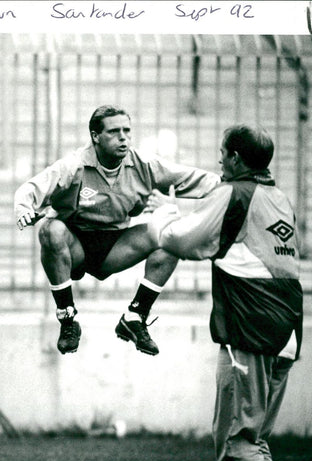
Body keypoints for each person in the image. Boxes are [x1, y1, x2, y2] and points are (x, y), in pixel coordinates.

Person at [147, 124, 303, 461]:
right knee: (255, 440)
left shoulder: (234, 193)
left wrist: (160, 214)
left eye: (223, 153)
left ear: (235, 158)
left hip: (251, 330)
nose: (219, 160)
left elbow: (183, 240)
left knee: (236, 445)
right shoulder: (277, 197)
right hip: (286, 333)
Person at [14, 105, 219, 355]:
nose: (123, 138)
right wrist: (24, 208)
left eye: (127, 131)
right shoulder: (75, 165)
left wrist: (230, 184)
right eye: (113, 132)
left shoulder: (143, 164)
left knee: (171, 235)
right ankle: (67, 320)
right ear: (95, 137)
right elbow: (31, 188)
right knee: (50, 230)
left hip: (115, 244)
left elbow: (192, 179)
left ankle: (135, 317)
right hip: (75, 244)